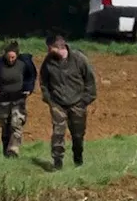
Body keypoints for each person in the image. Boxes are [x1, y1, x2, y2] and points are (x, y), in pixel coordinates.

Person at [38, 33, 97, 170]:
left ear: (59, 47)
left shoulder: (79, 59)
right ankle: (57, 163)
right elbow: (43, 82)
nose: (48, 51)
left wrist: (84, 101)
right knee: (58, 134)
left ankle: (78, 160)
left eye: (50, 48)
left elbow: (90, 81)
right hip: (58, 104)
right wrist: (49, 100)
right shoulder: (48, 62)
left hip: (78, 103)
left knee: (78, 135)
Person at [0, 40, 37, 158]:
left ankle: (13, 151)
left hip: (19, 98)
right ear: (5, 55)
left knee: (17, 124)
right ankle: (6, 149)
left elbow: (32, 76)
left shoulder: (24, 62)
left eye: (13, 57)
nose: (11, 60)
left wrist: (28, 88)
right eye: (9, 57)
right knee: (5, 125)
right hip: (3, 99)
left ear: (17, 55)